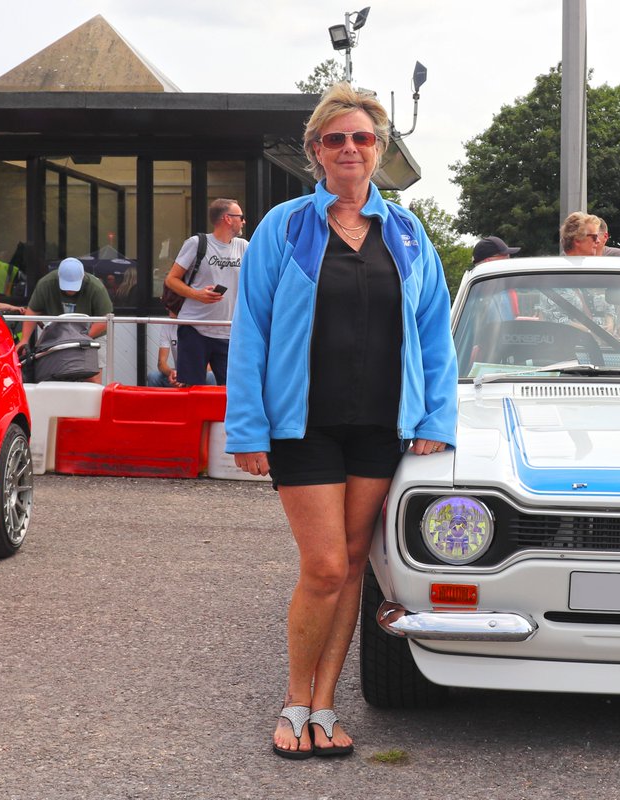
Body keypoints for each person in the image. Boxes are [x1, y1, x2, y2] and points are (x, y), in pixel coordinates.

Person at [225, 82, 457, 760]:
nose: (350, 148)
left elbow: (434, 335)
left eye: (362, 137)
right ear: (316, 151)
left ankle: (325, 705)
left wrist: (436, 417)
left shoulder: (407, 233)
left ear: (378, 149)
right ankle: (295, 702)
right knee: (325, 566)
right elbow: (251, 331)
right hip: (303, 426)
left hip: (383, 426)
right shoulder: (284, 227)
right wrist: (247, 429)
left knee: (355, 564)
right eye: (336, 139)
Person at [163, 198, 247, 386]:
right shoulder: (197, 243)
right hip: (194, 328)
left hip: (228, 330)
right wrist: (197, 294)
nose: (243, 221)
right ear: (227, 218)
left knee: (232, 389)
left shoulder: (243, 246)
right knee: (191, 389)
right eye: (240, 217)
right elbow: (171, 279)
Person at [16, 257, 113, 382]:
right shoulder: (46, 284)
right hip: (57, 335)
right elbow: (32, 312)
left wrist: (82, 338)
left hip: (92, 335)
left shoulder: (96, 287)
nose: (70, 290)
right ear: (58, 277)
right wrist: (24, 339)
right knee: (53, 371)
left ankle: (94, 393)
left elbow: (104, 320)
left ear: (83, 277)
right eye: (67, 285)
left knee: (92, 375)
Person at [146, 315, 216, 388]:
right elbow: (161, 363)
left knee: (211, 376)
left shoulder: (198, 324)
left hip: (196, 374)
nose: (167, 309)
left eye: (171, 307)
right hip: (177, 375)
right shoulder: (167, 325)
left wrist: (186, 376)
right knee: (153, 377)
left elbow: (208, 366)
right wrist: (173, 374)